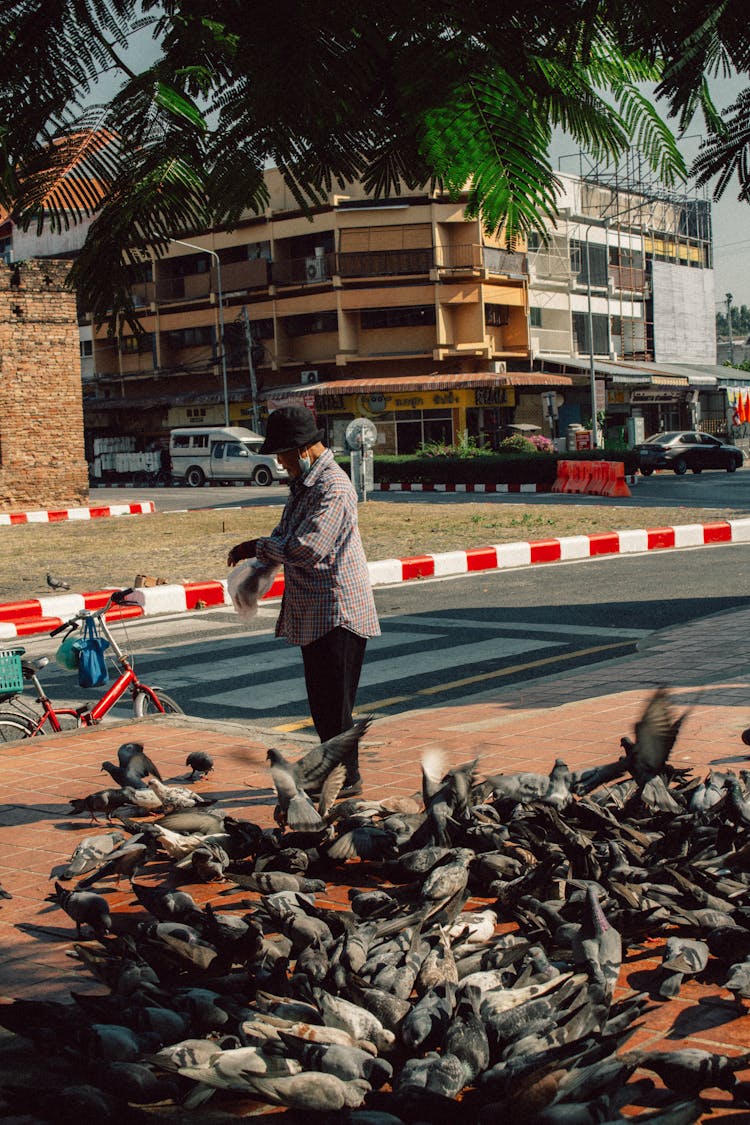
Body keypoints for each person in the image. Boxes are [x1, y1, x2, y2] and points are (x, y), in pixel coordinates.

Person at [227, 406, 380, 795]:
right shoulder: (304, 489)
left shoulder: (334, 488)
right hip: (316, 611)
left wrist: (256, 546)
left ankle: (348, 778)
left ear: (304, 450)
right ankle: (334, 774)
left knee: (335, 707)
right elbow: (284, 536)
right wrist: (256, 570)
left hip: (338, 610)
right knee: (324, 706)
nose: (279, 462)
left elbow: (308, 548)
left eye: (282, 454)